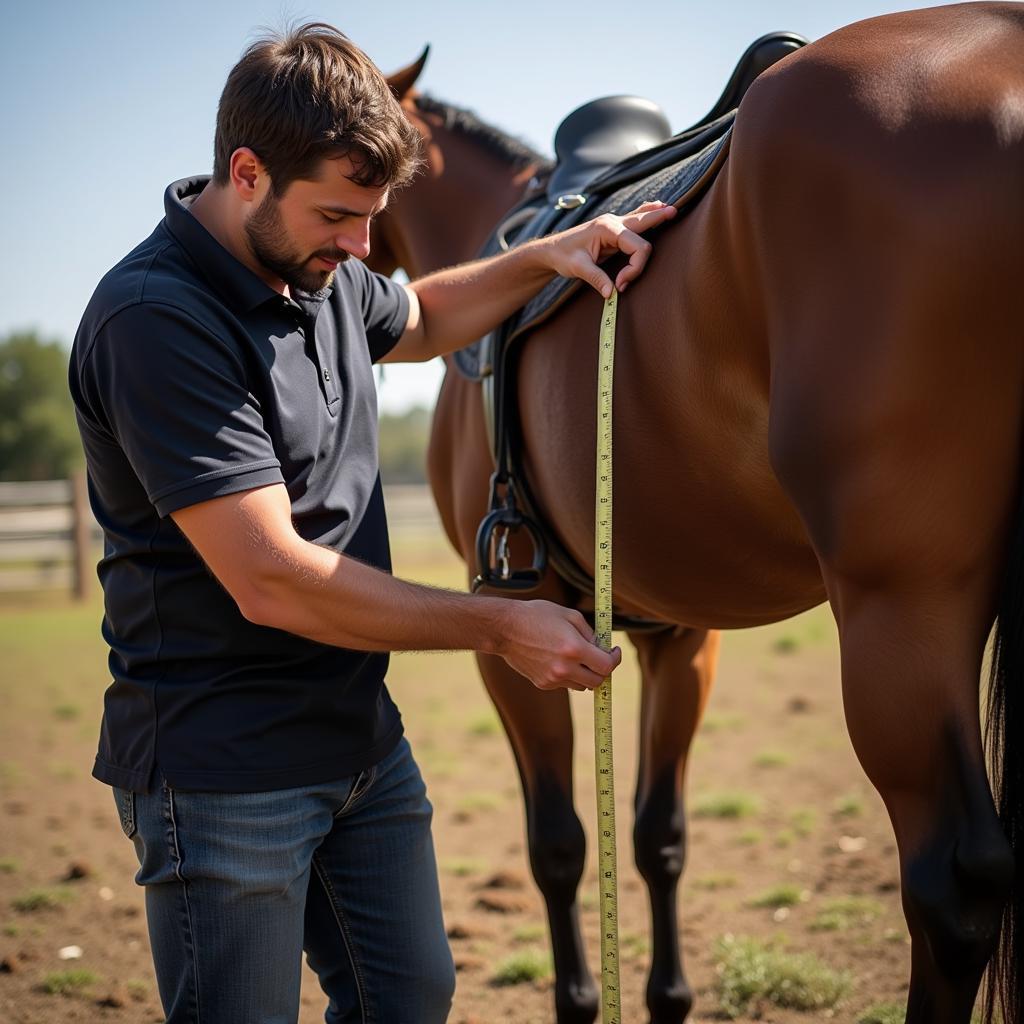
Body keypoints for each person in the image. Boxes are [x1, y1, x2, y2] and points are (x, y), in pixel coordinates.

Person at [69, 21, 677, 1024]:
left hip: (359, 746)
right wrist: (498, 620)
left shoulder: (319, 270)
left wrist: (543, 256)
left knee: (410, 997)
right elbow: (271, 577)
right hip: (224, 773)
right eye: (341, 215)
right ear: (248, 171)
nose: (361, 245)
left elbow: (422, 316)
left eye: (373, 218)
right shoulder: (155, 319)